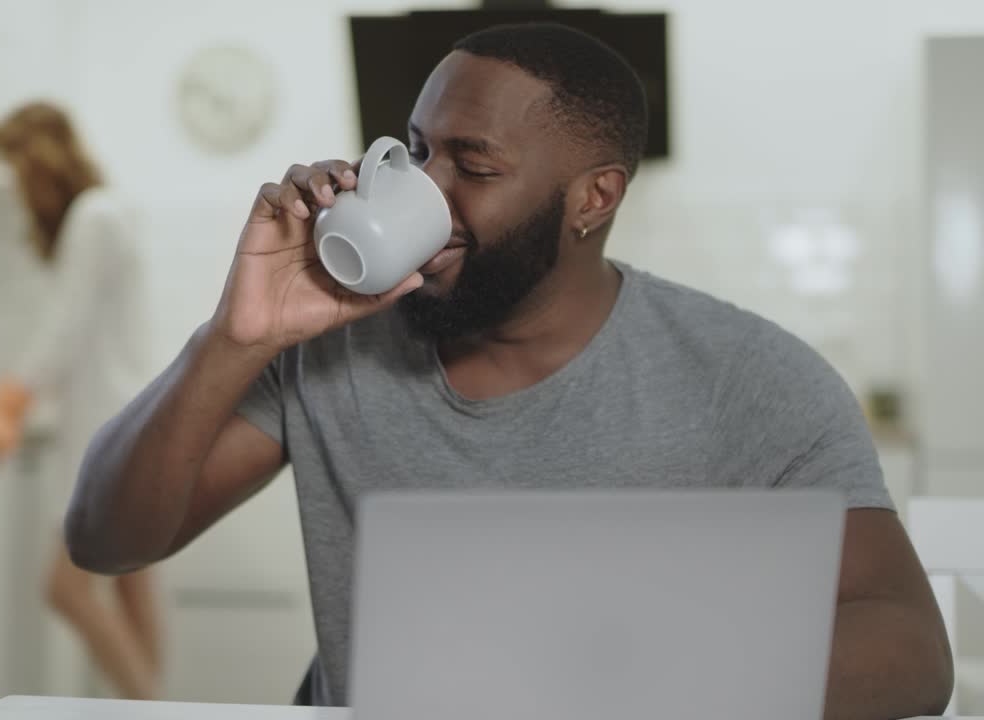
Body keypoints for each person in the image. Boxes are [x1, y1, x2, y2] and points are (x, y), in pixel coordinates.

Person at [64, 24, 953, 718]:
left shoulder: (748, 376)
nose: (426, 189)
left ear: (594, 198)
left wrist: (626, 685)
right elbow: (105, 540)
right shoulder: (334, 348)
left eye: (475, 166)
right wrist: (236, 337)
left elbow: (911, 649)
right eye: (417, 151)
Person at [0, 101, 162, 699]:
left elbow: (64, 327)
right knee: (132, 587)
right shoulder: (110, 211)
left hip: (111, 433)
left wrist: (8, 396)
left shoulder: (93, 215)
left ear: (39, 162)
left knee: (65, 587)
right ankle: (158, 709)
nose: (17, 192)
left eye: (16, 171)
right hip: (132, 424)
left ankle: (153, 709)